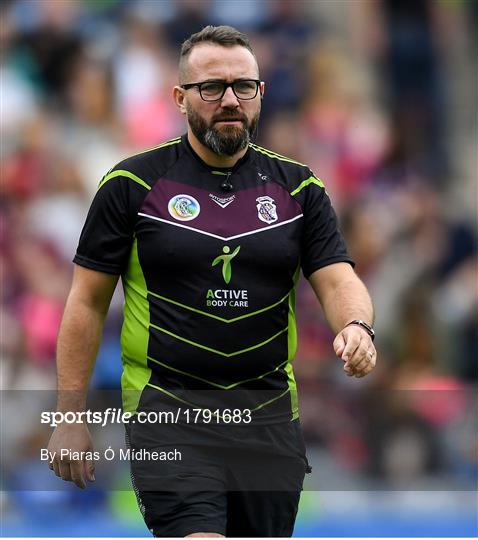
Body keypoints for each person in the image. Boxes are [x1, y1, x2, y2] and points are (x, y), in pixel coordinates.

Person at [47, 25, 377, 537]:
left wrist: (357, 325)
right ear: (180, 98)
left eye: (243, 87)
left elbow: (337, 280)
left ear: (261, 93)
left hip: (268, 418)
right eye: (211, 88)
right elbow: (86, 303)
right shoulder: (131, 185)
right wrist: (70, 415)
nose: (229, 100)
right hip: (168, 414)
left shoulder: (300, 188)